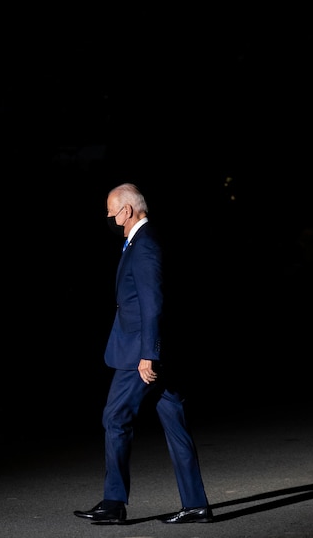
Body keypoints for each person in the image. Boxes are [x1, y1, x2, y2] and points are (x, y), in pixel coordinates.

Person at [74, 182, 212, 524]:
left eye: (110, 211)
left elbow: (153, 303)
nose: (108, 217)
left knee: (114, 418)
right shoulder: (140, 241)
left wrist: (149, 354)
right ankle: (196, 504)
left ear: (127, 210)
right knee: (175, 425)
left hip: (140, 354)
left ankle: (114, 503)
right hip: (153, 349)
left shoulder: (145, 245)